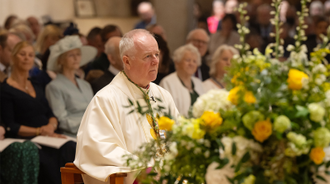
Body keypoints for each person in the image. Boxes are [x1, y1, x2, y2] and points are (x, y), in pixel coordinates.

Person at [74, 29, 179, 184]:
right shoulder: (106, 99)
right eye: (147, 56)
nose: (155, 61)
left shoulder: (163, 95)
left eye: (156, 54)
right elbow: (98, 150)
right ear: (127, 61)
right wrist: (144, 168)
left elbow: (178, 135)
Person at [0, 41, 76, 184]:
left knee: (70, 146)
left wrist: (51, 127)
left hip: (47, 135)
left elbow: (50, 114)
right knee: (49, 157)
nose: (27, 58)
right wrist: (39, 131)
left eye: (30, 55)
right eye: (22, 54)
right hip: (27, 139)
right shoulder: (5, 90)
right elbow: (11, 125)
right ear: (14, 57)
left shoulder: (37, 84)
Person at [45, 35, 96, 137]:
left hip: (94, 132)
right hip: (72, 136)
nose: (76, 58)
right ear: (60, 60)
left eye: (78, 54)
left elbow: (94, 111)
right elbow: (62, 119)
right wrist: (89, 126)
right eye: (71, 55)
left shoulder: (85, 84)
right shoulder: (54, 87)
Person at [160, 44, 205, 116]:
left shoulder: (198, 82)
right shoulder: (167, 82)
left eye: (194, 61)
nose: (191, 64)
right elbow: (166, 111)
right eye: (188, 60)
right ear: (177, 62)